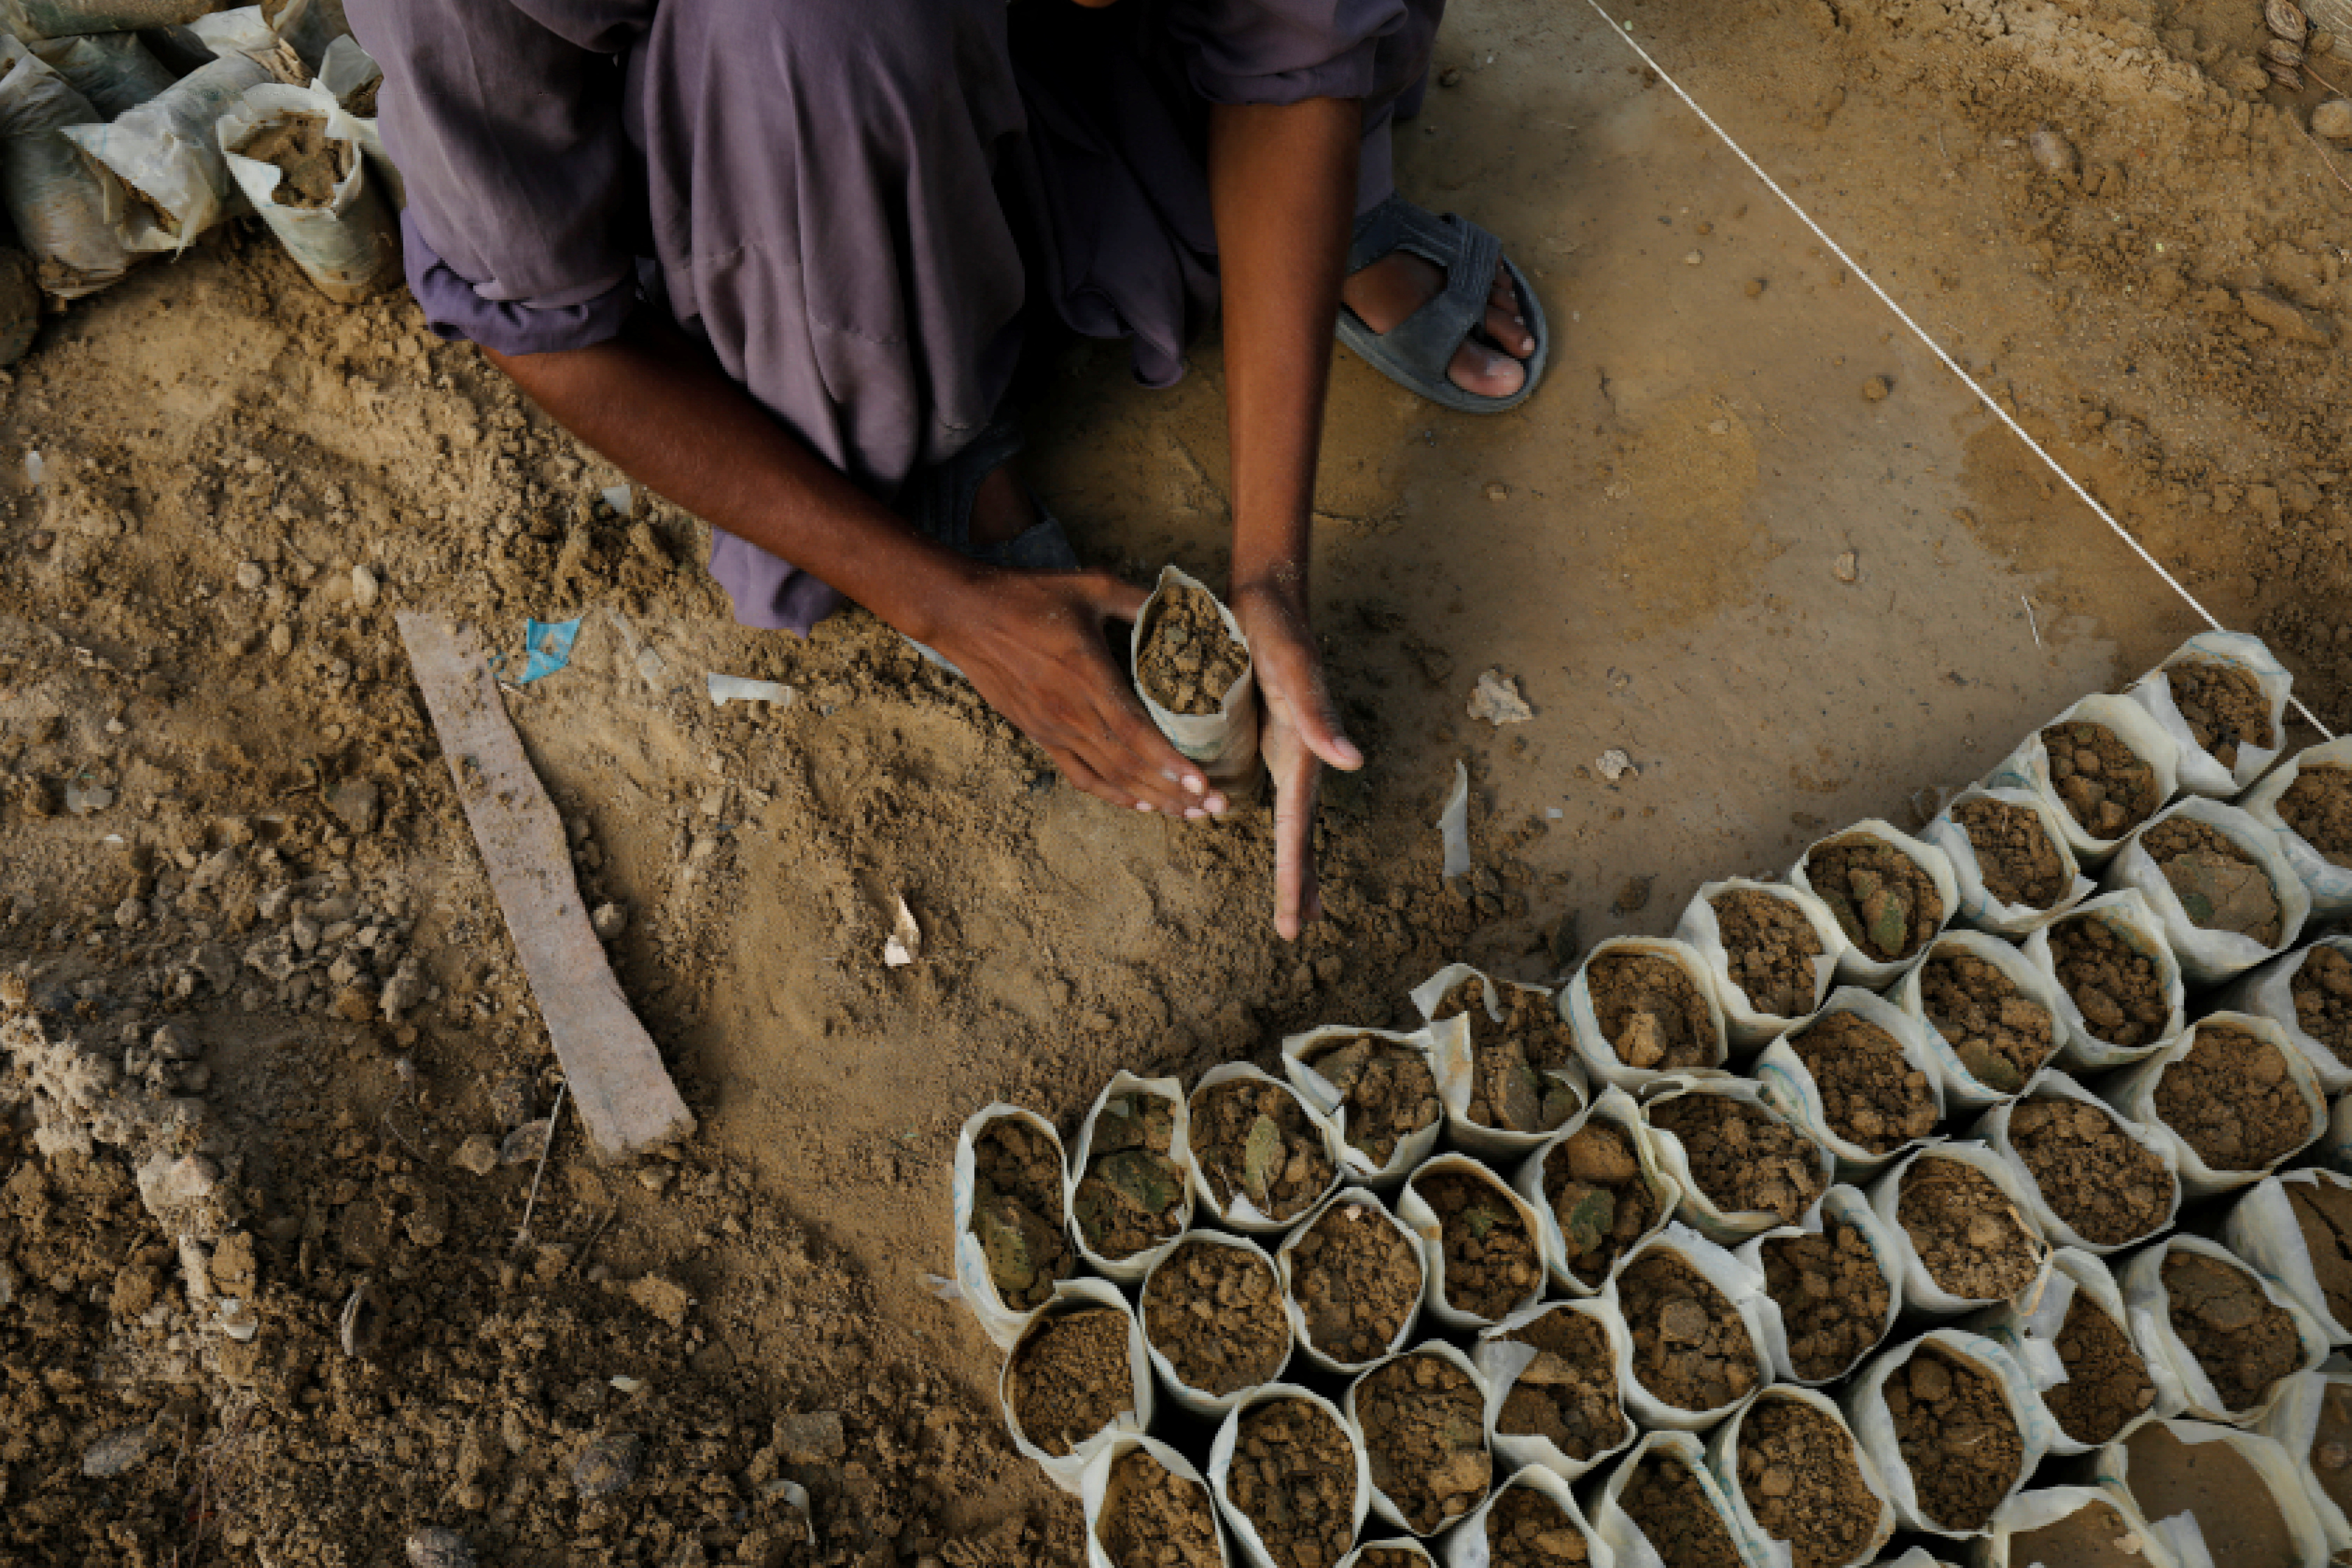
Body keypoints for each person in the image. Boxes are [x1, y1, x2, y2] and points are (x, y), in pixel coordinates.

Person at [345, 0, 1546, 940]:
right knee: (808, 41)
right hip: (781, 142)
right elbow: (550, 327)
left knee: (1289, 61)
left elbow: (1290, 36)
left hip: (1016, 68)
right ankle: (924, 431)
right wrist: (951, 608)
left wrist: (1271, 571)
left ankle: (1301, 197)